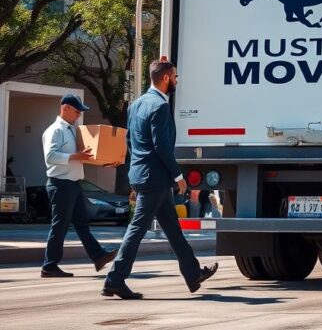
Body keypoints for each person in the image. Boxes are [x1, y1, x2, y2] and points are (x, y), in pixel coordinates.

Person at [103, 60, 218, 299]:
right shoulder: (159, 106)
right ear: (166, 78)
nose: (176, 80)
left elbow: (130, 142)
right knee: (137, 229)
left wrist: (137, 169)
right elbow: (162, 147)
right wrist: (179, 176)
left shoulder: (136, 105)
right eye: (175, 76)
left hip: (144, 175)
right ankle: (114, 279)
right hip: (155, 178)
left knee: (173, 230)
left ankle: (193, 272)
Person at [39, 94, 117, 277]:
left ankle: (98, 257)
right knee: (60, 226)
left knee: (82, 224)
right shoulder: (55, 130)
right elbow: (50, 157)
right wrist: (75, 156)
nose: (79, 115)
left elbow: (83, 157)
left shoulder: (72, 130)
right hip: (60, 185)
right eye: (76, 111)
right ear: (64, 108)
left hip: (73, 185)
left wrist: (104, 163)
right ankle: (49, 266)